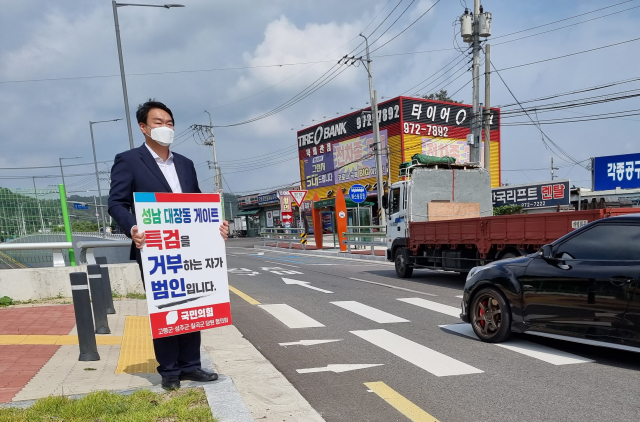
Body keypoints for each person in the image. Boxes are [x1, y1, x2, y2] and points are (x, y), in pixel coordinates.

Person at [108, 99, 229, 391]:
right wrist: (132, 227)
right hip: (155, 249)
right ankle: (170, 371)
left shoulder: (185, 164)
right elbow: (116, 202)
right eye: (158, 123)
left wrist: (217, 226)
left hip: (190, 249)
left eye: (170, 123)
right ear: (143, 127)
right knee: (166, 306)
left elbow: (198, 205)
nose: (166, 128)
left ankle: (191, 366)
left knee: (194, 303)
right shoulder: (129, 160)